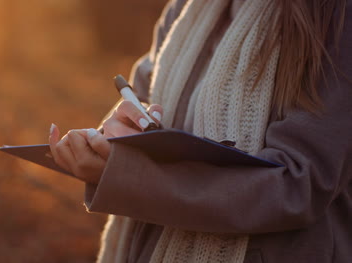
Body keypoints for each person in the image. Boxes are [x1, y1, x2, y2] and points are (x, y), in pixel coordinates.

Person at [49, 0, 352, 262]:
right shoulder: (186, 10)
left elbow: (297, 186)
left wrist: (132, 178)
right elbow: (140, 96)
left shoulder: (336, 17)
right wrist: (111, 140)